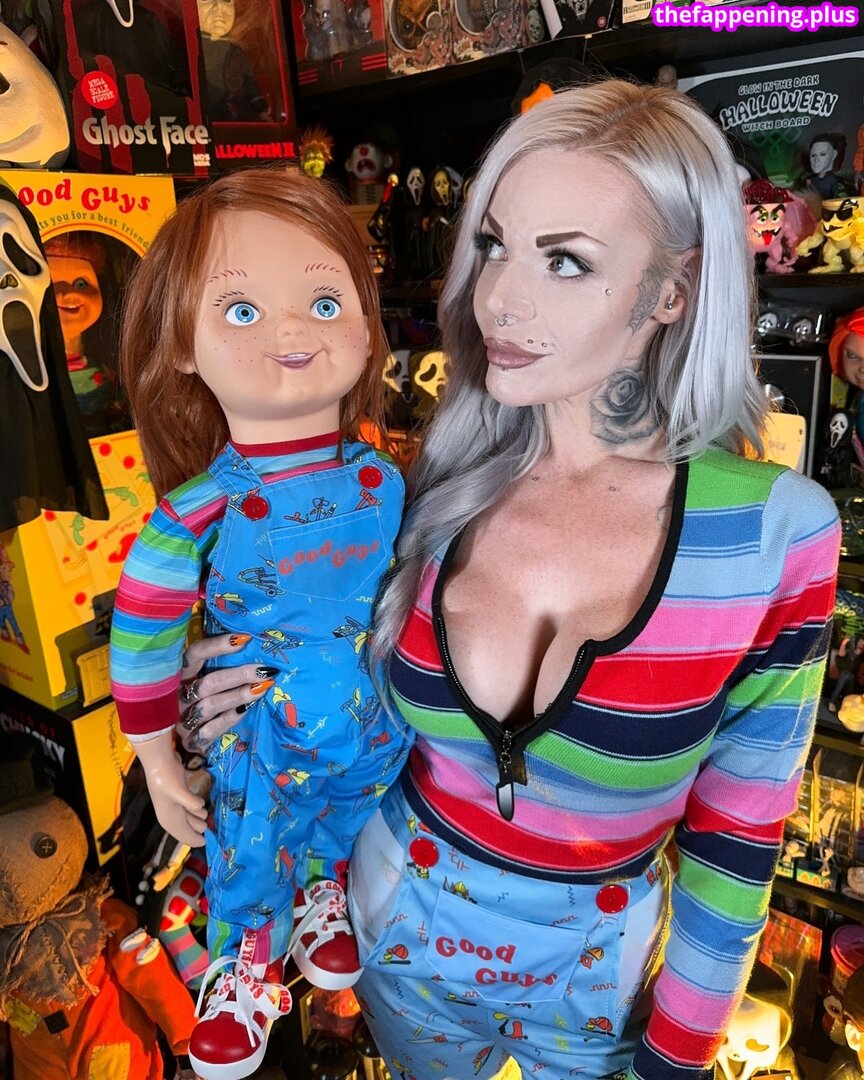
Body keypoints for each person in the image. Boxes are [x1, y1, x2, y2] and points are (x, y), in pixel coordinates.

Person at [178, 81, 840, 1080]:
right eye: (493, 245)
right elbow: (328, 698)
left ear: (673, 290)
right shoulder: (415, 493)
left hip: (595, 987)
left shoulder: (772, 535)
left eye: (565, 260)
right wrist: (227, 706)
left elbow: (738, 840)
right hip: (395, 931)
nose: (498, 301)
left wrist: (676, 1058)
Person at [108, 166, 410, 1080]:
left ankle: (322, 893)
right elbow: (144, 635)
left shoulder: (392, 478)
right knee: (248, 843)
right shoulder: (194, 513)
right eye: (242, 311)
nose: (292, 331)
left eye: (325, 302)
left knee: (348, 812)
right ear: (182, 346)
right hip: (260, 724)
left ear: (367, 322)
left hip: (377, 718)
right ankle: (243, 962)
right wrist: (158, 759)